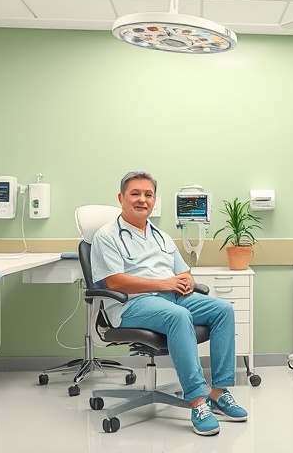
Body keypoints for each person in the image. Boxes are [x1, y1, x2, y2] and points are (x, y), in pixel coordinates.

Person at [90, 171, 247, 436]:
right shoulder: (106, 236)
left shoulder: (161, 236)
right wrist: (164, 284)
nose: (142, 200)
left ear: (154, 200)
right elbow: (114, 282)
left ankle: (219, 392)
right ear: (121, 198)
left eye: (148, 195)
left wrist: (186, 281)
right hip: (131, 305)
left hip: (172, 298)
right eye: (135, 193)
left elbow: (184, 271)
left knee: (223, 310)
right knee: (178, 315)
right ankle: (198, 400)